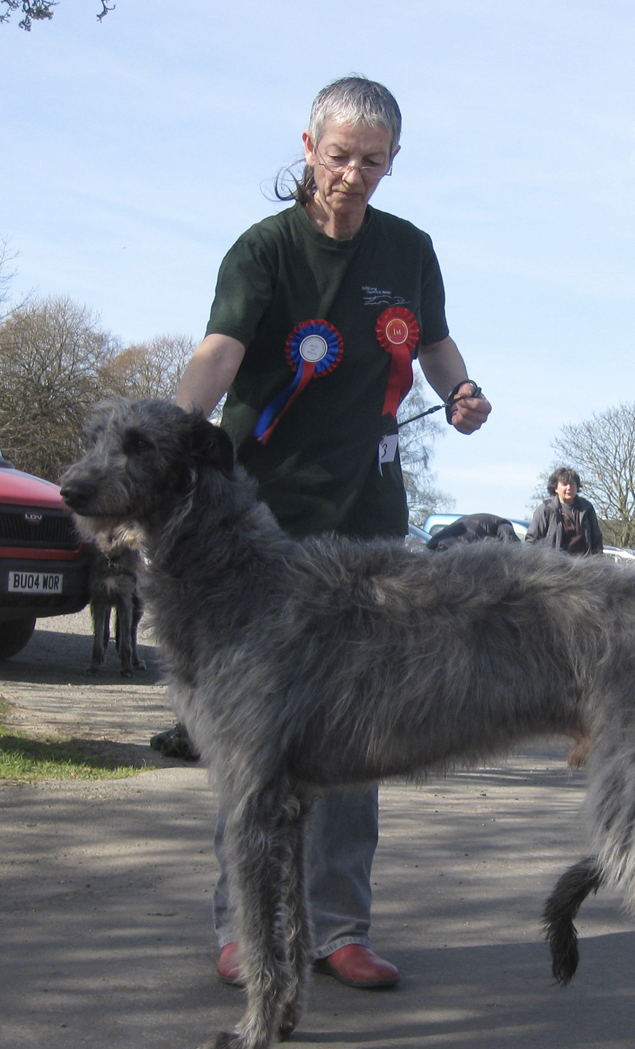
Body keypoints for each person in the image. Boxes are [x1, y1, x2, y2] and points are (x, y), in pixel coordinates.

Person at [172, 76, 491, 991]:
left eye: (373, 161)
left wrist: (459, 393)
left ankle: (340, 927)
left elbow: (433, 345)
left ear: (394, 163)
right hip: (259, 525)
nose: (353, 175)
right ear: (308, 146)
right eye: (340, 155)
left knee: (359, 725)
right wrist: (170, 434)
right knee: (253, 734)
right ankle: (246, 927)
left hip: (369, 523)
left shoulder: (412, 250)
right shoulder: (263, 249)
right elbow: (221, 354)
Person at [526, 468, 603, 556]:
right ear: (555, 488)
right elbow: (531, 541)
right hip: (553, 565)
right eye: (564, 484)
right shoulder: (546, 509)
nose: (569, 488)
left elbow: (596, 541)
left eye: (572, 484)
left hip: (583, 565)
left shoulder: (587, 508)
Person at [426, 513, 519, 549]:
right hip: (456, 550)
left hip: (433, 544)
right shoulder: (504, 524)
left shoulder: (469, 520)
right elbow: (512, 545)